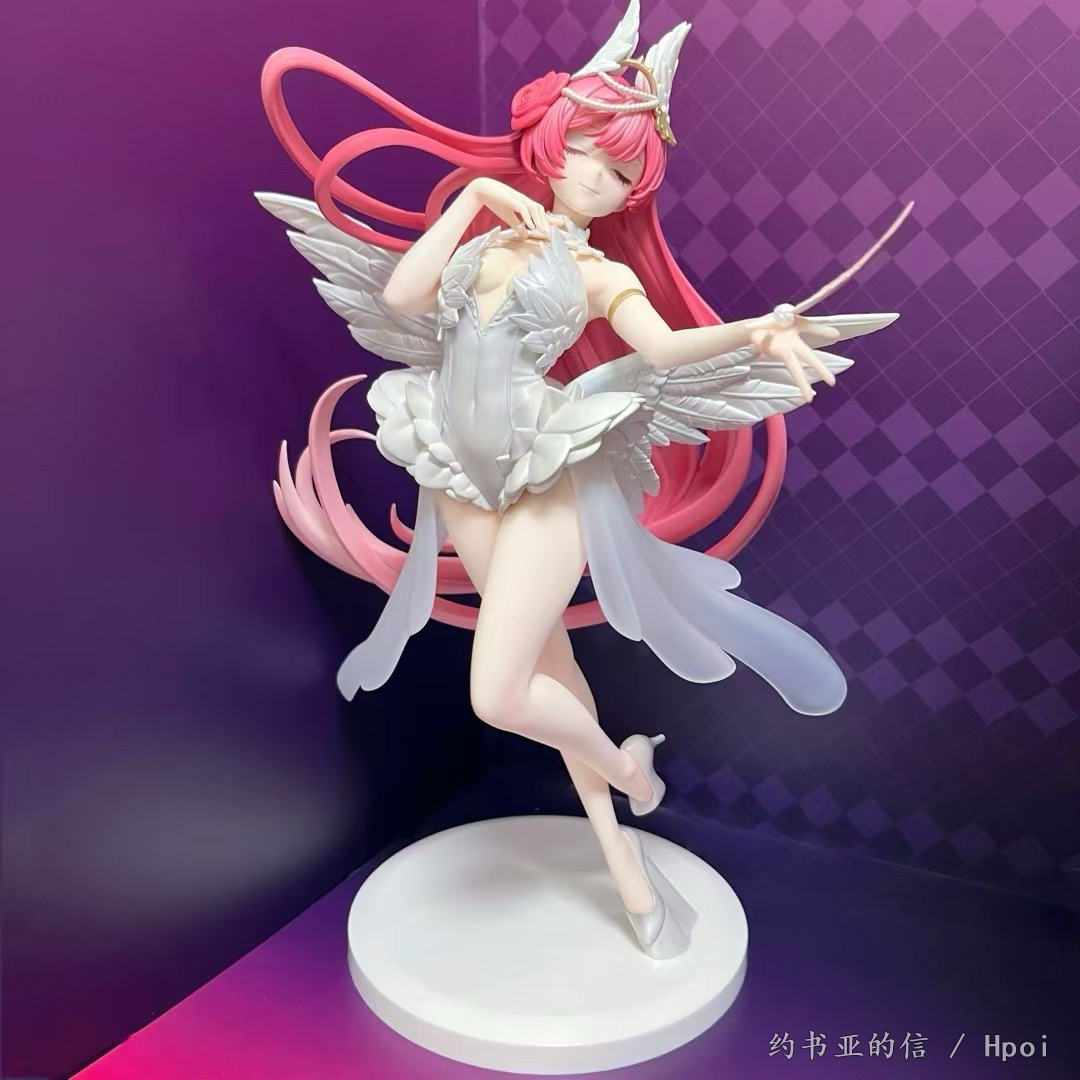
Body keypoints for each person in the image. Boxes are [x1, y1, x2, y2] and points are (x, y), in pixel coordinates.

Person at [256, 0, 908, 959]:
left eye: (624, 172)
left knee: (498, 694)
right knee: (551, 674)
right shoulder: (484, 238)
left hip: (542, 475)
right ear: (550, 143)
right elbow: (400, 295)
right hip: (458, 471)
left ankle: (632, 778)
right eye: (590, 155)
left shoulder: (602, 274)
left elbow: (666, 351)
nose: (602, 181)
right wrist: (476, 200)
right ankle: (626, 861)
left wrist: (758, 330)